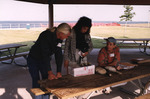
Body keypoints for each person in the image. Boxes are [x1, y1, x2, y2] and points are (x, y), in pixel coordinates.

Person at [27, 23, 71, 89]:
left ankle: (46, 96)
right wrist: (50, 72)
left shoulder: (59, 39)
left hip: (43, 59)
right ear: (61, 33)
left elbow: (58, 55)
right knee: (36, 80)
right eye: (67, 36)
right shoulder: (45, 35)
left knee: (47, 80)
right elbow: (45, 55)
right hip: (33, 59)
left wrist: (59, 71)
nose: (67, 38)